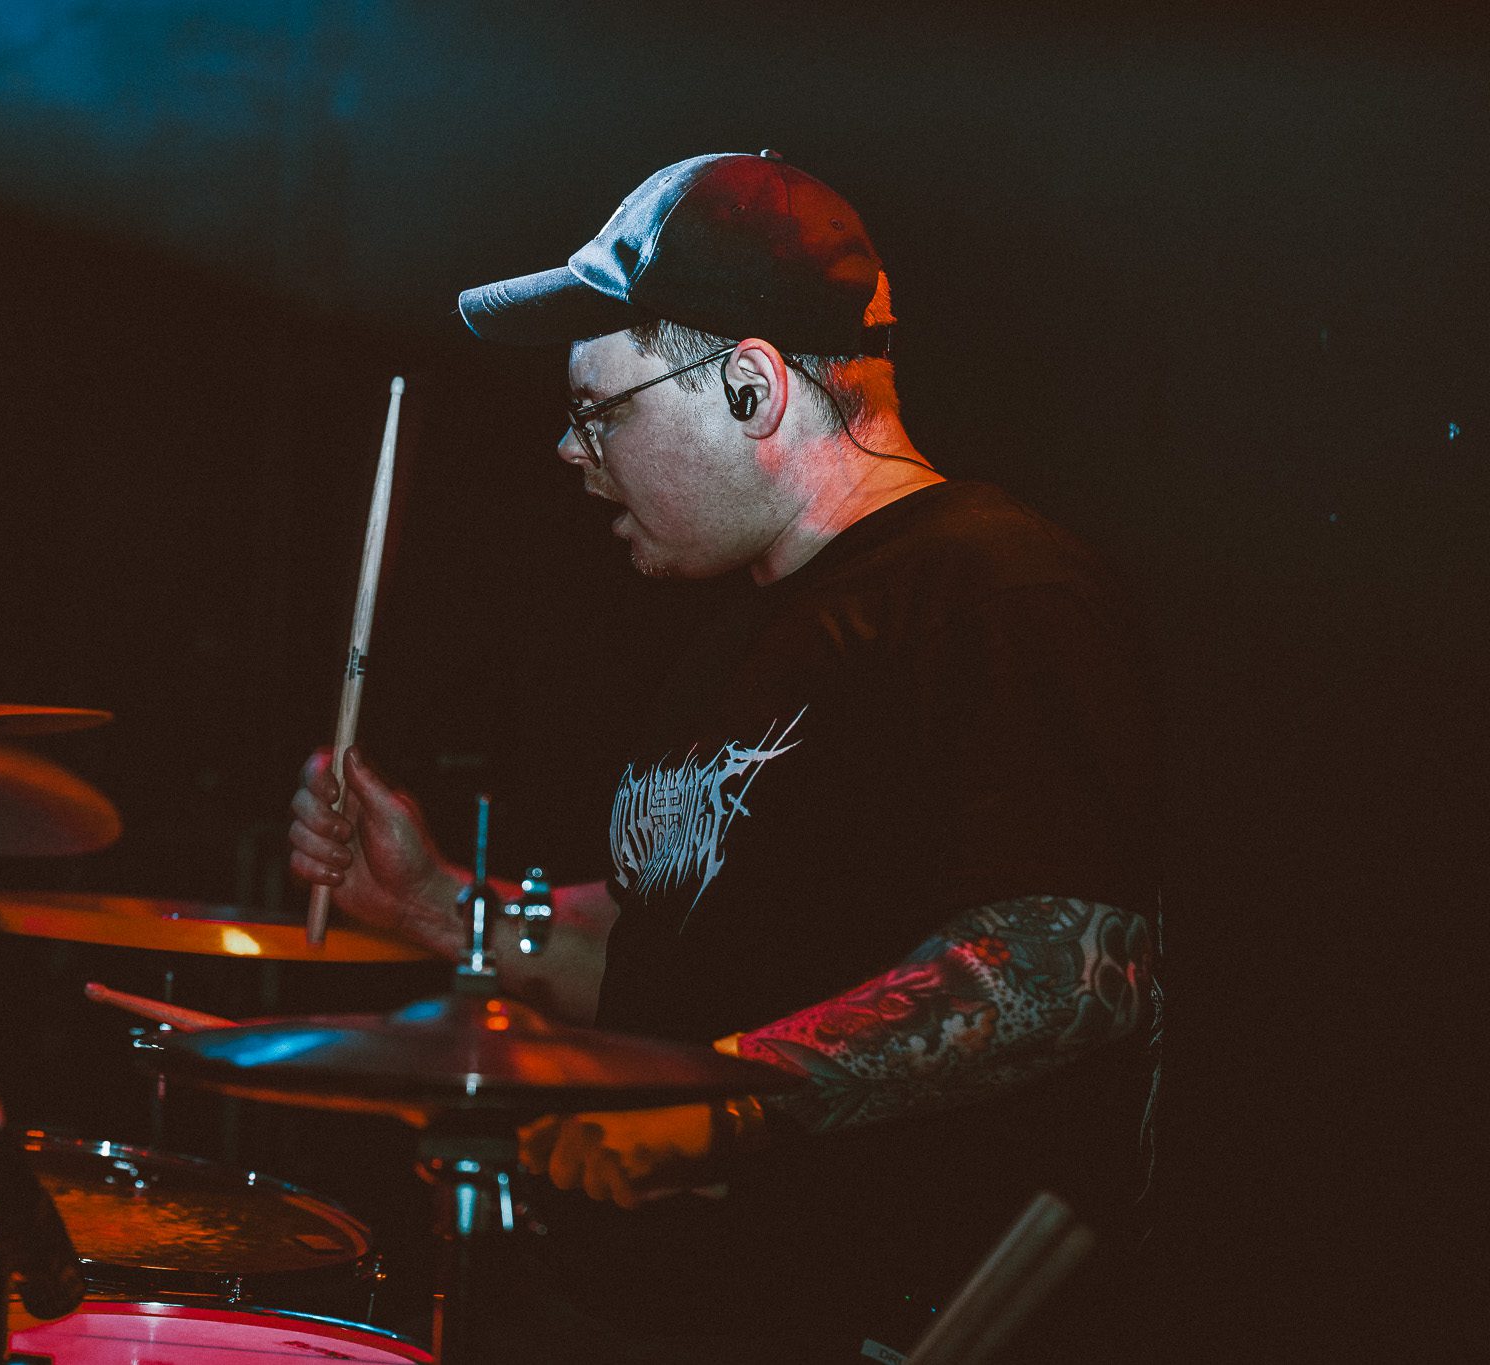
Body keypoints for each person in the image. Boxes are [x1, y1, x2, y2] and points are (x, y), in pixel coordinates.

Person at [289, 151, 1162, 1363]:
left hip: (868, 1322)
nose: (568, 451)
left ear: (750, 390)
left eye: (601, 411)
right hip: (662, 1312)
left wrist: (723, 1102)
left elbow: (1064, 967)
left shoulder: (992, 591)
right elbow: (669, 951)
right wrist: (441, 907)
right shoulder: (740, 633)